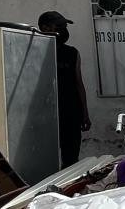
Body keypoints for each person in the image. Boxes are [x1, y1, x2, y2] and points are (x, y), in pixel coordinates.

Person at [38, 10, 90, 166]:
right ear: (44, 28)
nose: (62, 29)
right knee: (46, 161)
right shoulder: (35, 51)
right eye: (58, 25)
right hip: (46, 117)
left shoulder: (72, 53)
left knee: (71, 159)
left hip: (71, 114)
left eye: (64, 26)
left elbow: (79, 84)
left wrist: (85, 114)